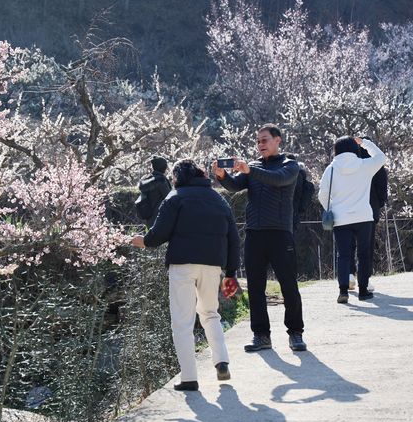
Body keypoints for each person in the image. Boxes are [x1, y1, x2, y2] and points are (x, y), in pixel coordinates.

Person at [131, 159, 240, 391]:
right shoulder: (219, 200)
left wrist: (143, 242)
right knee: (210, 313)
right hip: (212, 266)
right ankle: (221, 360)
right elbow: (233, 239)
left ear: (178, 177)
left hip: (182, 265)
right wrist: (230, 272)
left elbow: (158, 233)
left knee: (182, 322)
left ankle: (189, 378)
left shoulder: (175, 197)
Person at [212, 123, 307, 352]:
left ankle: (295, 333)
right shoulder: (252, 167)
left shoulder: (290, 166)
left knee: (288, 285)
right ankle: (261, 335)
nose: (260, 145)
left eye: (264, 140)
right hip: (255, 233)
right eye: (257, 141)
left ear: (278, 140)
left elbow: (278, 180)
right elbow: (234, 186)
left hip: (280, 233)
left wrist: (249, 170)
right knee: (255, 287)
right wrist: (222, 175)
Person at [318, 136, 386, 304]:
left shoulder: (331, 169)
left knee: (343, 255)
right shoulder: (364, 166)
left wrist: (332, 208)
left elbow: (322, 194)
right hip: (363, 216)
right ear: (354, 149)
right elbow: (381, 158)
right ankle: (363, 291)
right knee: (363, 254)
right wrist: (365, 143)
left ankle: (343, 291)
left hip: (341, 219)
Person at [347, 143, 388, 292]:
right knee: (366, 247)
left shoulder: (350, 166)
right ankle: (365, 278)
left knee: (348, 244)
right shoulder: (376, 166)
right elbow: (383, 189)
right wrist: (379, 203)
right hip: (370, 209)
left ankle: (350, 274)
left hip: (349, 210)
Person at [135, 156, 172, 228]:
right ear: (164, 167)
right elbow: (169, 199)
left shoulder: (146, 180)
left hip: (148, 216)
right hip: (160, 217)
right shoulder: (161, 181)